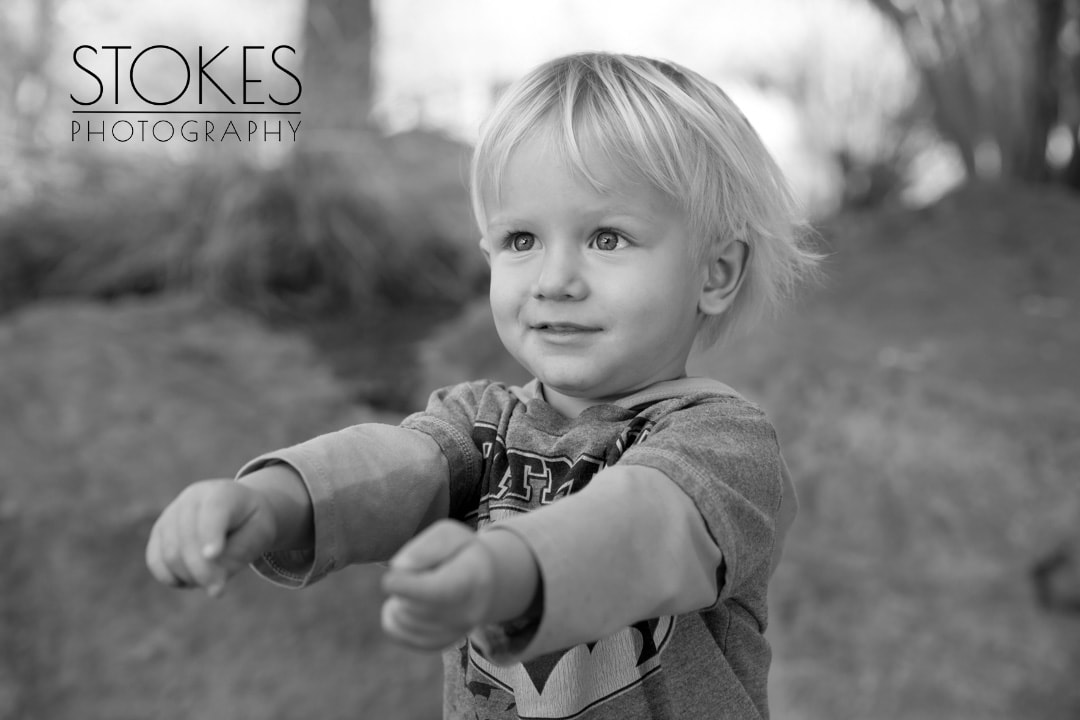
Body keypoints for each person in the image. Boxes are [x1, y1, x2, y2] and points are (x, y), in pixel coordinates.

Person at [146, 51, 820, 719]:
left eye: (607, 238)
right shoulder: (483, 424)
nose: (555, 279)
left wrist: (505, 571)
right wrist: (270, 501)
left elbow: (642, 529)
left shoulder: (724, 447)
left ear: (715, 273)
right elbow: (389, 470)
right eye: (521, 239)